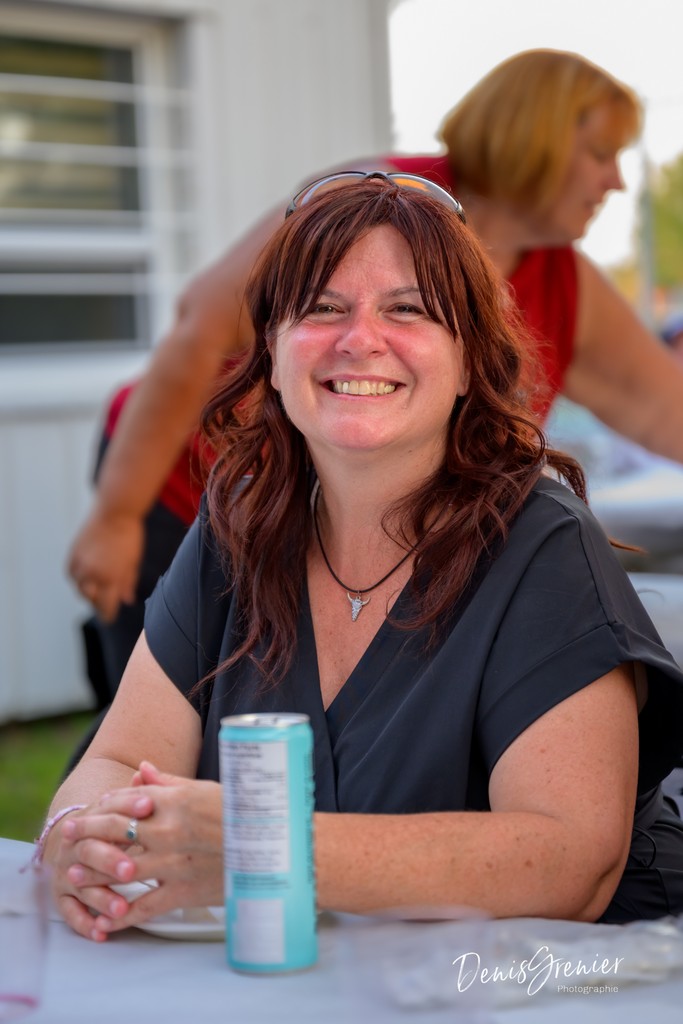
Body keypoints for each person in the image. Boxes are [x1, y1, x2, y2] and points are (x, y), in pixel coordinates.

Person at [43, 175, 683, 941]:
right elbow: (115, 760)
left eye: (407, 309)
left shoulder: (541, 546)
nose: (359, 339)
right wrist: (82, 840)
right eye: (322, 308)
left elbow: (569, 861)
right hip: (298, 980)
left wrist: (261, 848)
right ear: (272, 353)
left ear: (469, 362)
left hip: (564, 982)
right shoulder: (239, 525)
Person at [68, 48, 683, 701]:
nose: (616, 181)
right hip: (189, 488)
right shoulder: (372, 203)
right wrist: (118, 515)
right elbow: (198, 334)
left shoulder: (564, 280)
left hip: (335, 534)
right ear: (532, 140)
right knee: (178, 715)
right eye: (599, 154)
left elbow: (661, 408)